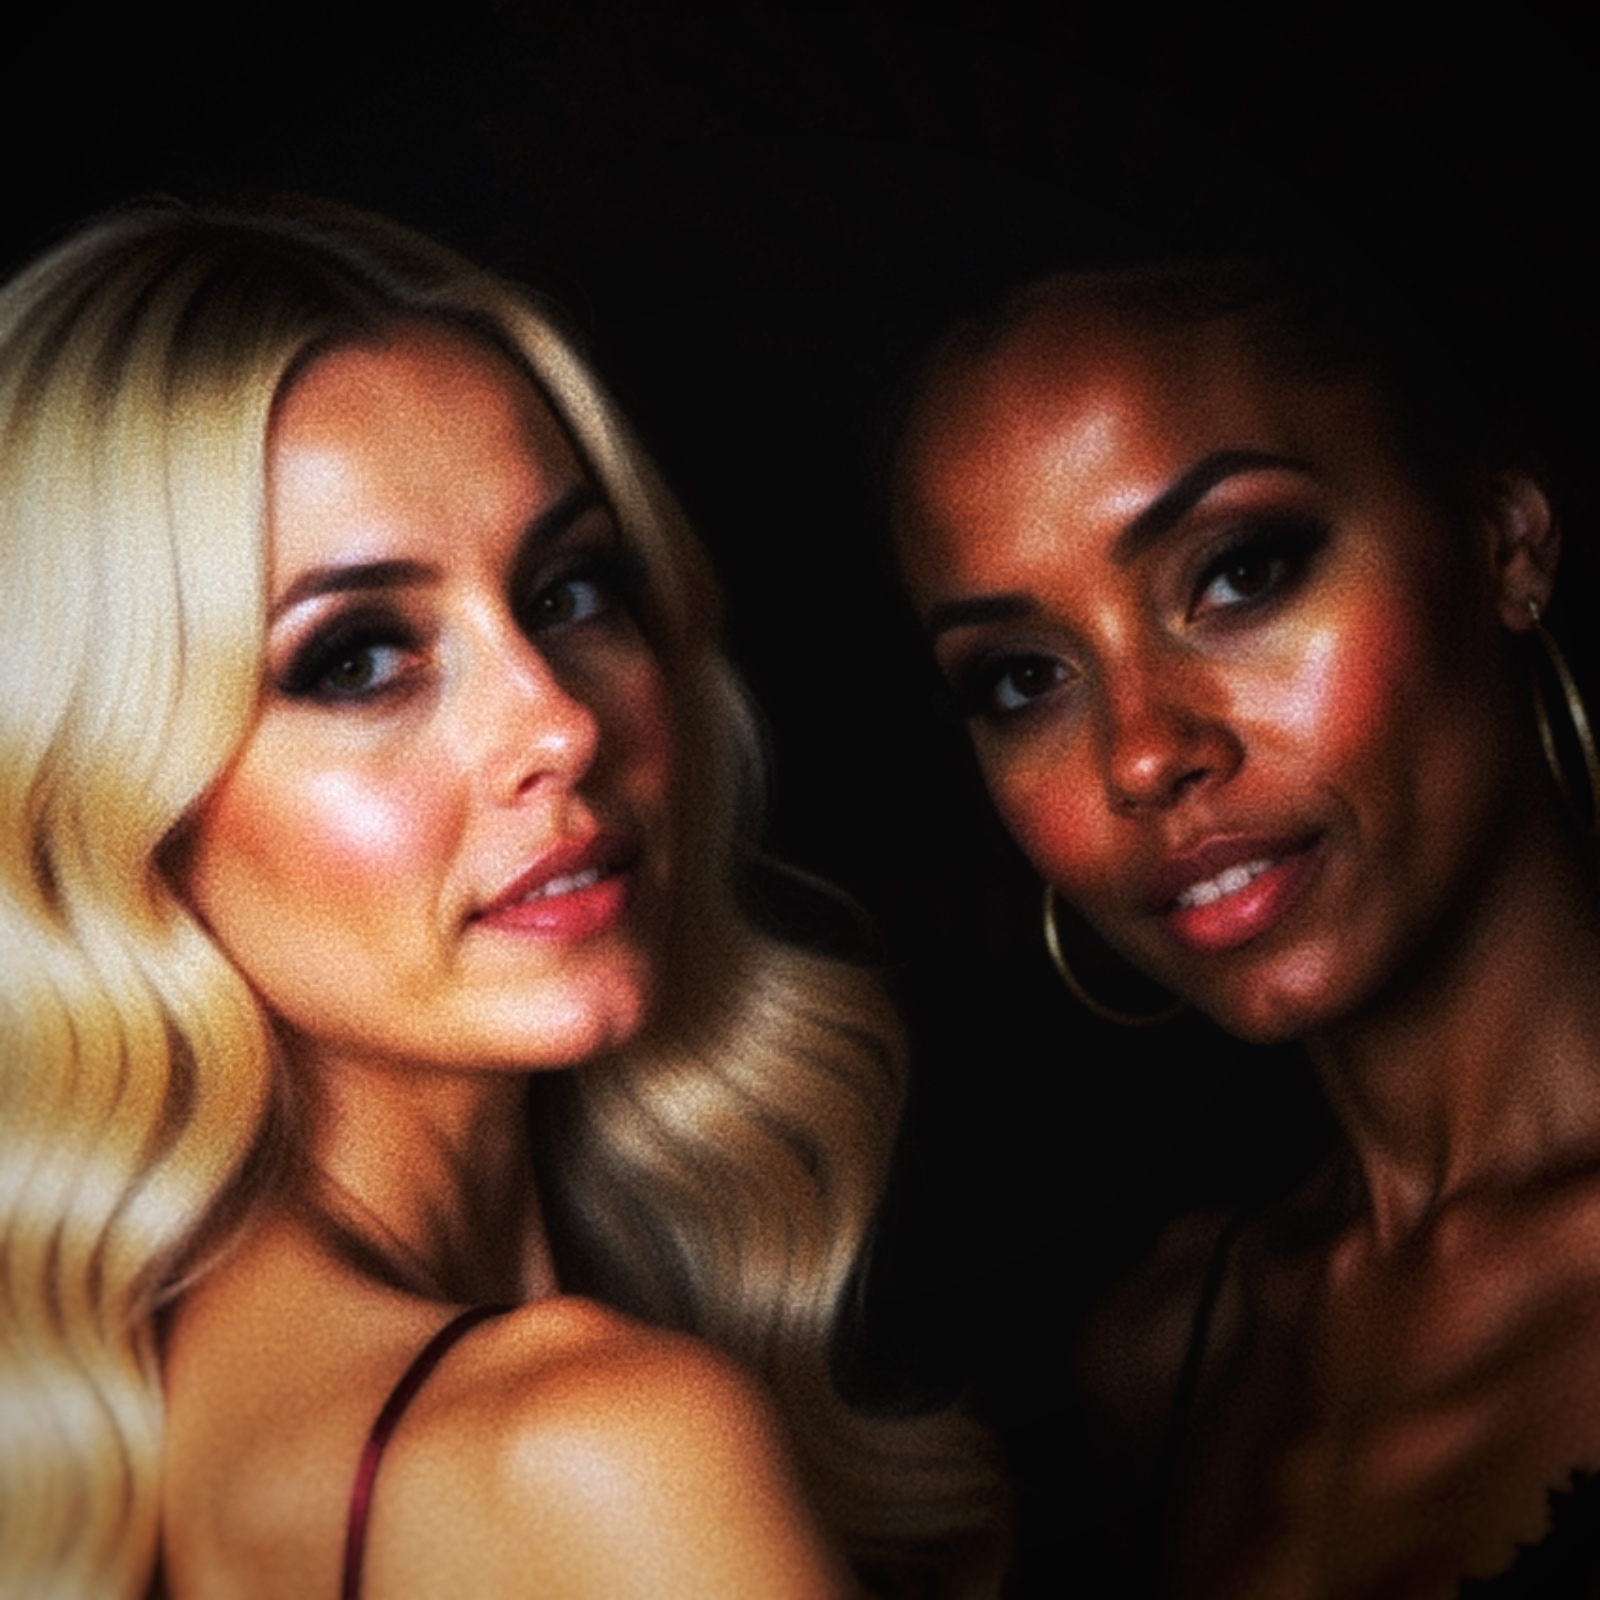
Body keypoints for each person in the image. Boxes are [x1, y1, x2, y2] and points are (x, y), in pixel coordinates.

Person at [0, 197, 1007, 1600]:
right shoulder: (592, 1454)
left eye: (570, 589)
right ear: (116, 810)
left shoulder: (100, 1453)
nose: (560, 725)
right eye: (355, 659)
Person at [892, 256, 1600, 1596]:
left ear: (1505, 536)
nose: (1141, 755)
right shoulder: (1169, 1354)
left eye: (1239, 573)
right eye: (1025, 678)